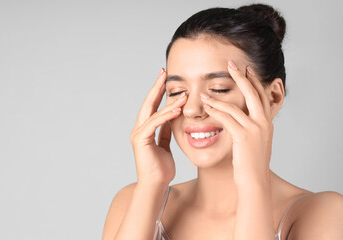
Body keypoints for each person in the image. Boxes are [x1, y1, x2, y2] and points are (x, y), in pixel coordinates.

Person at [102, 3, 343, 240]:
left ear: (273, 97)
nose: (193, 110)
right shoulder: (133, 201)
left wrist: (253, 183)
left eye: (219, 88)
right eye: (176, 92)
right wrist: (151, 186)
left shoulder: (324, 214)